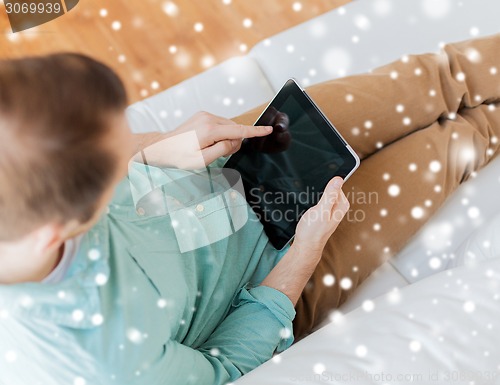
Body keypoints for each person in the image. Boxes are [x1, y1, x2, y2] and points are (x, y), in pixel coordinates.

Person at [0, 33, 498, 385]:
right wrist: (306, 251)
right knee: (460, 143)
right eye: (116, 165)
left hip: (233, 162)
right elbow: (227, 368)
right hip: (274, 279)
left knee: (431, 79)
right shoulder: (112, 361)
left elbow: (134, 156)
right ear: (60, 230)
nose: (128, 153)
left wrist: (164, 146)